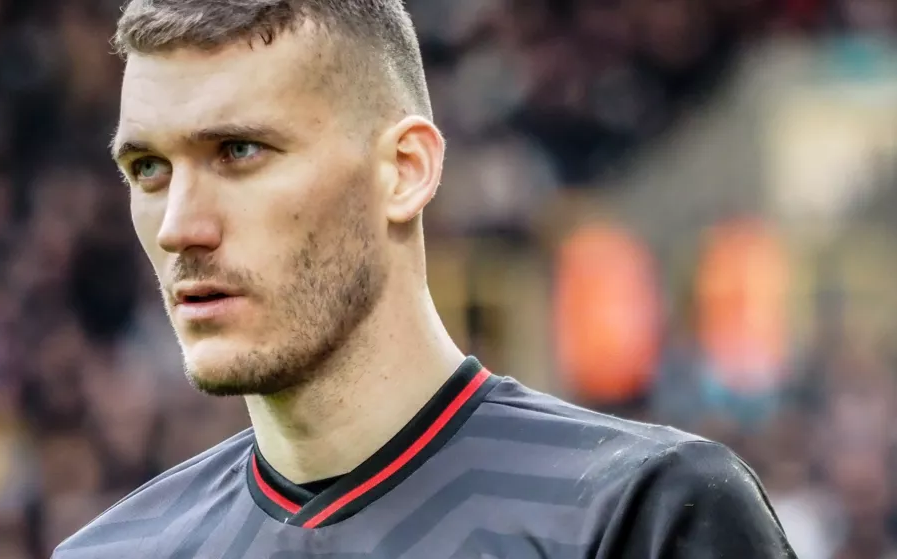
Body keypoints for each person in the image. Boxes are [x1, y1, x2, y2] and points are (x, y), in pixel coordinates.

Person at [54, 1, 798, 557]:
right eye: (147, 168)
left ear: (404, 171)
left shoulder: (640, 513)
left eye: (240, 151)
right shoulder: (109, 553)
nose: (179, 225)